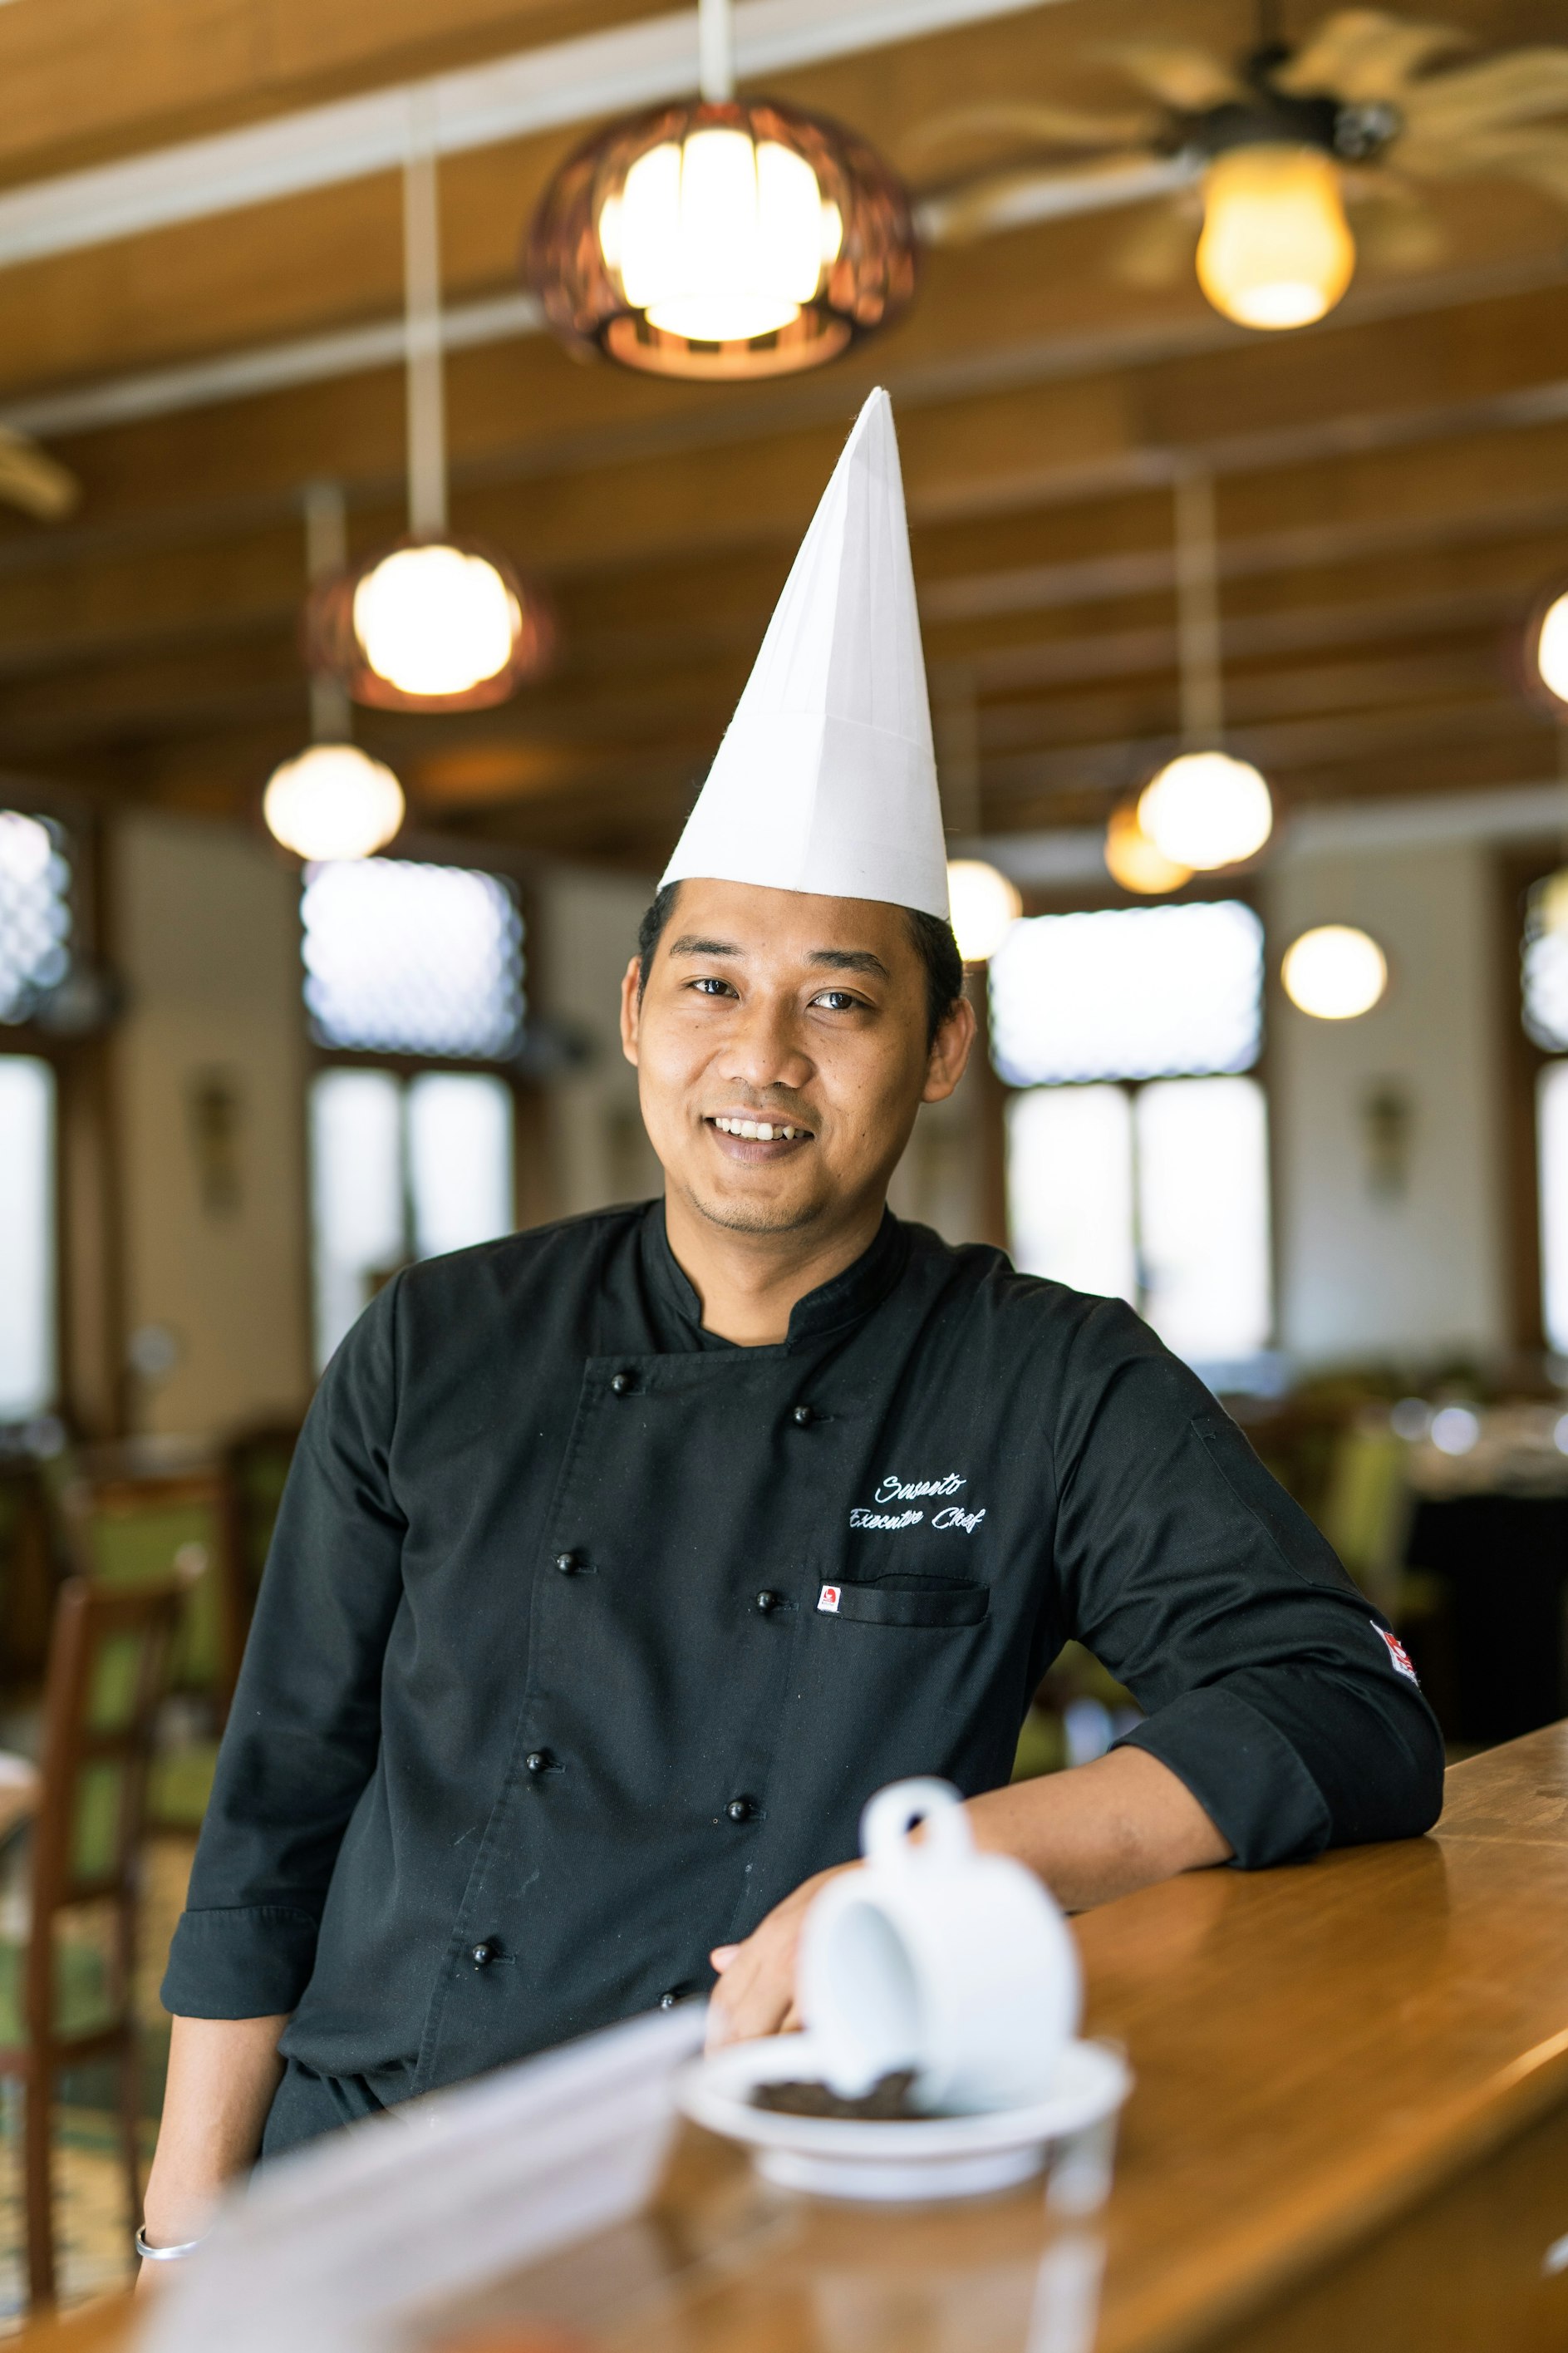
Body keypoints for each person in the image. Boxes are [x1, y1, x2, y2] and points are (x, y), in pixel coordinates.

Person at [140, 390, 1442, 2259]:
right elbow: (272, 1812)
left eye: (837, 1001)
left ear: (938, 1053)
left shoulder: (1043, 1376)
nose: (760, 1058)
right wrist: (185, 2243)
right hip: (375, 2172)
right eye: (712, 985)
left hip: (772, 2185)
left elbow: (1346, 1714)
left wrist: (938, 1871)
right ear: (635, 1011)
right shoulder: (435, 1345)